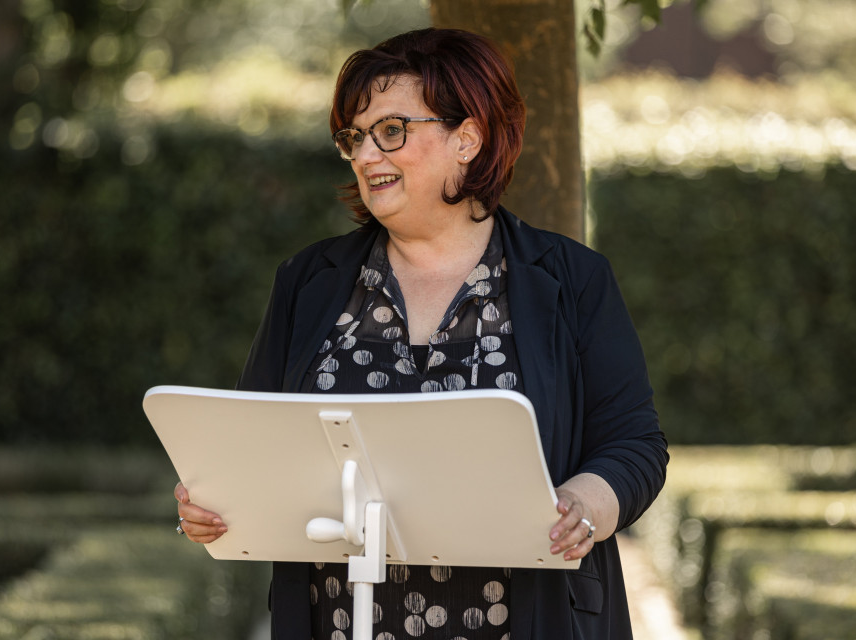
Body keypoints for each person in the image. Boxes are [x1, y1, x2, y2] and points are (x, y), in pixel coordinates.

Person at [175, 27, 668, 640]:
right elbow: (249, 443)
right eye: (354, 138)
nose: (364, 155)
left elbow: (634, 446)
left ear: (468, 137)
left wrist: (582, 509)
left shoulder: (573, 279)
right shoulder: (307, 281)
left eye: (391, 131)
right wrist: (212, 501)